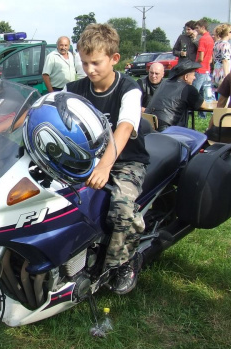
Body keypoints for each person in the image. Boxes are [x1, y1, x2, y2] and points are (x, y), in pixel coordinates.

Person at [65, 23, 150, 294]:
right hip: (83, 161)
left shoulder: (129, 88)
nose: (90, 70)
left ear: (114, 59)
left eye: (96, 63)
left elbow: (124, 127)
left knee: (122, 208)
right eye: (85, 62)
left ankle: (124, 261)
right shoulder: (73, 87)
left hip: (126, 162)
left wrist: (105, 165)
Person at [145, 60, 205, 131]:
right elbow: (203, 105)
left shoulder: (164, 82)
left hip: (147, 124)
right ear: (186, 77)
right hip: (167, 129)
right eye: (193, 75)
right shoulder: (188, 89)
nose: (194, 78)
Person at [193, 19, 214, 103]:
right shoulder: (211, 39)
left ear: (203, 27)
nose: (196, 30)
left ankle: (192, 109)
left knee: (195, 90)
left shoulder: (202, 39)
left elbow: (201, 57)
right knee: (206, 91)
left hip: (200, 69)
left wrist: (194, 64)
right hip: (207, 69)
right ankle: (204, 113)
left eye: (197, 28)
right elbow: (210, 59)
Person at [212, 23, 231, 89]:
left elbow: (214, 58)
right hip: (223, 72)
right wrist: (227, 76)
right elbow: (225, 60)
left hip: (216, 71)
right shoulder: (225, 45)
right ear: (227, 33)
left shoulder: (217, 43)